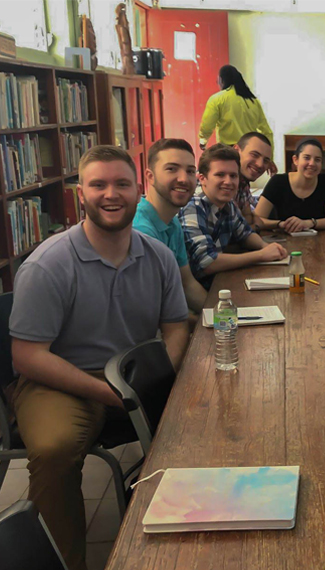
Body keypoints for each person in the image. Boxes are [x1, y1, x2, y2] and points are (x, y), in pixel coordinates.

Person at [9, 146, 190, 570]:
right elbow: (27, 356)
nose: (112, 194)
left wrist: (162, 377)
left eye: (122, 184)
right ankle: (62, 562)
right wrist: (109, 393)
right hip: (61, 378)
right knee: (54, 450)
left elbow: (176, 327)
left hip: (132, 374)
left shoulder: (158, 257)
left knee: (202, 417)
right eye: (99, 184)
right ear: (81, 195)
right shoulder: (48, 265)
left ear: (137, 189)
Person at [180, 144, 287, 289]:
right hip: (196, 293)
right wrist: (261, 255)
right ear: (202, 178)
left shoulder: (228, 204)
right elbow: (207, 262)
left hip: (219, 283)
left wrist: (266, 246)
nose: (228, 182)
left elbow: (245, 234)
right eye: (220, 175)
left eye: (233, 176)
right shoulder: (193, 206)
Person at [134, 138, 208, 314]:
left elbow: (187, 283)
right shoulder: (141, 230)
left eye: (190, 171)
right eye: (171, 169)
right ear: (150, 176)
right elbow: (157, 310)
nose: (183, 179)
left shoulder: (172, 221)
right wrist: (208, 323)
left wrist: (224, 317)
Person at [255, 137, 325, 232]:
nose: (312, 163)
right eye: (307, 158)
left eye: (317, 160)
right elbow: (257, 219)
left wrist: (308, 223)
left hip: (319, 241)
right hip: (285, 240)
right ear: (295, 160)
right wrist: (280, 224)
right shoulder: (278, 182)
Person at [199, 65, 273, 150]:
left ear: (221, 80)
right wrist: (268, 158)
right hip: (249, 150)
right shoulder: (253, 101)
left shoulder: (217, 99)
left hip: (228, 151)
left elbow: (207, 125)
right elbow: (267, 132)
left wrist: (203, 141)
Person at [232, 132, 275, 227]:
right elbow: (236, 230)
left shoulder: (243, 183)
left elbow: (250, 218)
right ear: (236, 150)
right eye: (254, 155)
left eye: (266, 160)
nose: (260, 164)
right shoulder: (225, 184)